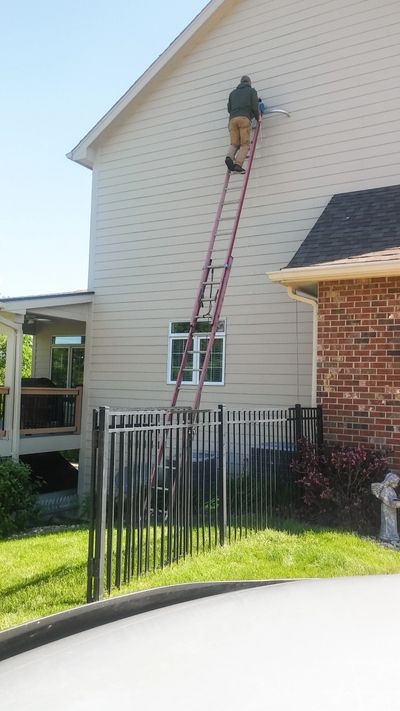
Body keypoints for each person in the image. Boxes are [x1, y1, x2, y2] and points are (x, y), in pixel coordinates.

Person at [225, 75, 260, 174]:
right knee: (245, 144)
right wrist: (258, 118)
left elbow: (229, 109)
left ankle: (229, 157)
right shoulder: (251, 91)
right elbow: (254, 107)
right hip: (244, 119)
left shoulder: (232, 93)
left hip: (232, 121)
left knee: (234, 143)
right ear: (249, 83)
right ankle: (238, 164)